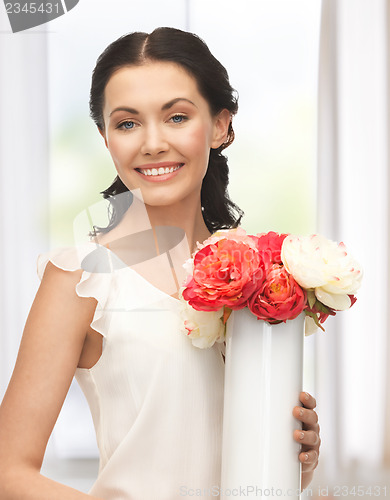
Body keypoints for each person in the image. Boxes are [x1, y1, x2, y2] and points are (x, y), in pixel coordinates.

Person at [0, 27, 320, 499]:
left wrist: (300, 455)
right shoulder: (81, 277)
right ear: (106, 138)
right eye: (127, 123)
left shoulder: (267, 274)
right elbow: (9, 472)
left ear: (219, 126)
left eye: (176, 117)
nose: (152, 143)